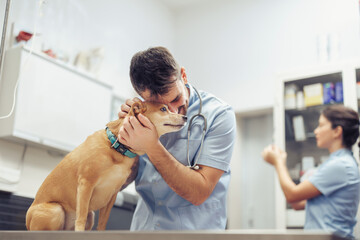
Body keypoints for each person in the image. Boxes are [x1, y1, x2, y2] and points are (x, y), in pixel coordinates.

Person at [117, 46, 236, 230]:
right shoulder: (141, 116)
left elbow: (199, 192)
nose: (172, 112)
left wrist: (151, 146)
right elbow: (117, 184)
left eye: (175, 99)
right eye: (159, 106)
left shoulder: (219, 115)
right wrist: (122, 141)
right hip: (145, 232)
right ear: (141, 97)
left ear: (183, 75)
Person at [262, 105, 360, 239]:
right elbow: (297, 203)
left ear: (337, 131)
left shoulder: (340, 165)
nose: (316, 131)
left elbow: (292, 195)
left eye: (321, 125)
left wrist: (278, 162)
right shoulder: (336, 163)